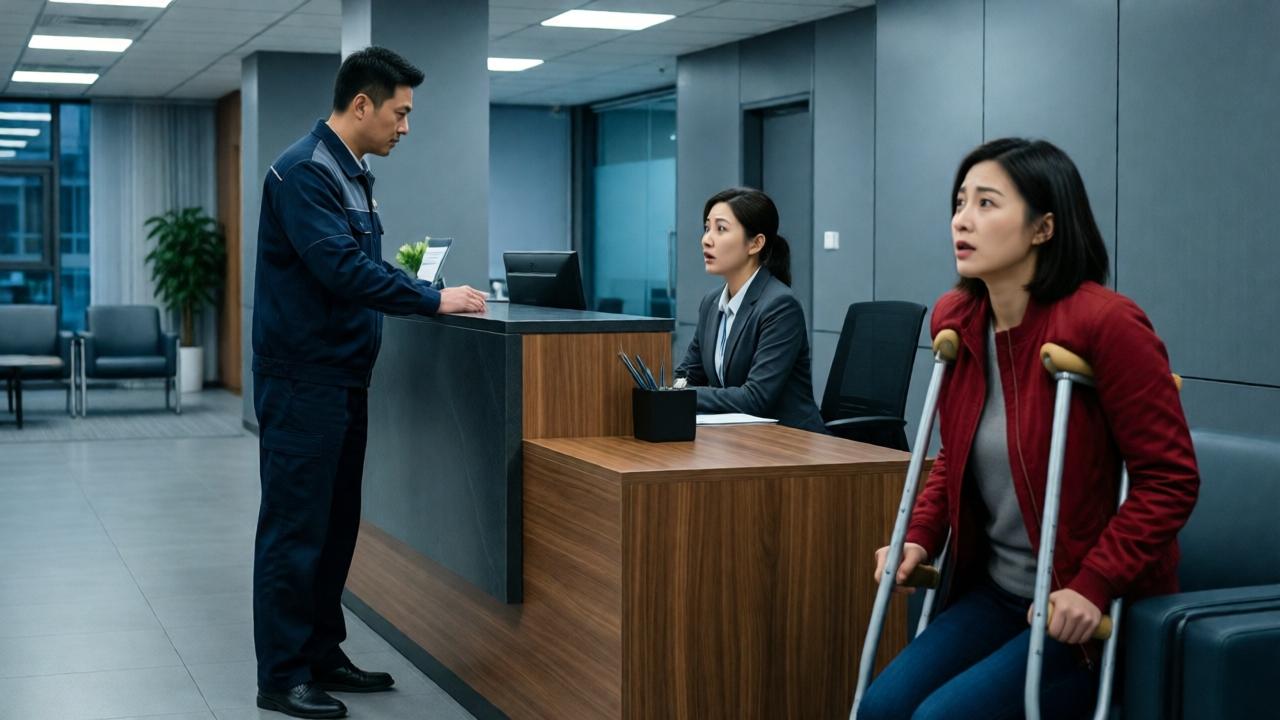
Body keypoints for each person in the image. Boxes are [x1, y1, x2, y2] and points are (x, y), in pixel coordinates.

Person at [858, 138, 1199, 720]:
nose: (962, 220)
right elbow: (953, 457)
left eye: (987, 204)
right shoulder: (958, 319)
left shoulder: (1106, 323)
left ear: (1044, 227)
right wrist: (919, 534)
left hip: (1082, 607)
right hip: (996, 593)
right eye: (959, 202)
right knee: (881, 707)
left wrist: (1095, 583)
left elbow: (1169, 480)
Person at [250, 47, 487, 719]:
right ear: (363, 105)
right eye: (400, 113)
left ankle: (322, 653)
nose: (405, 128)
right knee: (295, 530)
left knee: (334, 527)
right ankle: (282, 675)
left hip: (342, 379)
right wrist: (430, 298)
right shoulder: (304, 172)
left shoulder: (353, 174)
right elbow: (341, 270)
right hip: (304, 382)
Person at [676, 187, 826, 433]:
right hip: (740, 439)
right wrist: (673, 390)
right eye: (706, 228)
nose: (707, 239)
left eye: (721, 229)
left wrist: (680, 394)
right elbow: (687, 375)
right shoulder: (711, 303)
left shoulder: (779, 306)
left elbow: (756, 398)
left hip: (791, 443)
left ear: (755, 243)